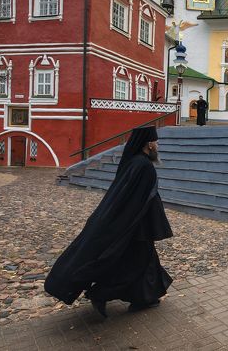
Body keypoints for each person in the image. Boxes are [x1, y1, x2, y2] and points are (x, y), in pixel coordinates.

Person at [44, 126, 172, 317]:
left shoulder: (134, 162)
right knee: (135, 264)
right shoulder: (143, 166)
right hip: (136, 227)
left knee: (144, 262)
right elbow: (140, 201)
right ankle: (101, 294)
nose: (157, 145)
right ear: (149, 144)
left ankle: (145, 298)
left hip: (136, 226)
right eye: (156, 141)